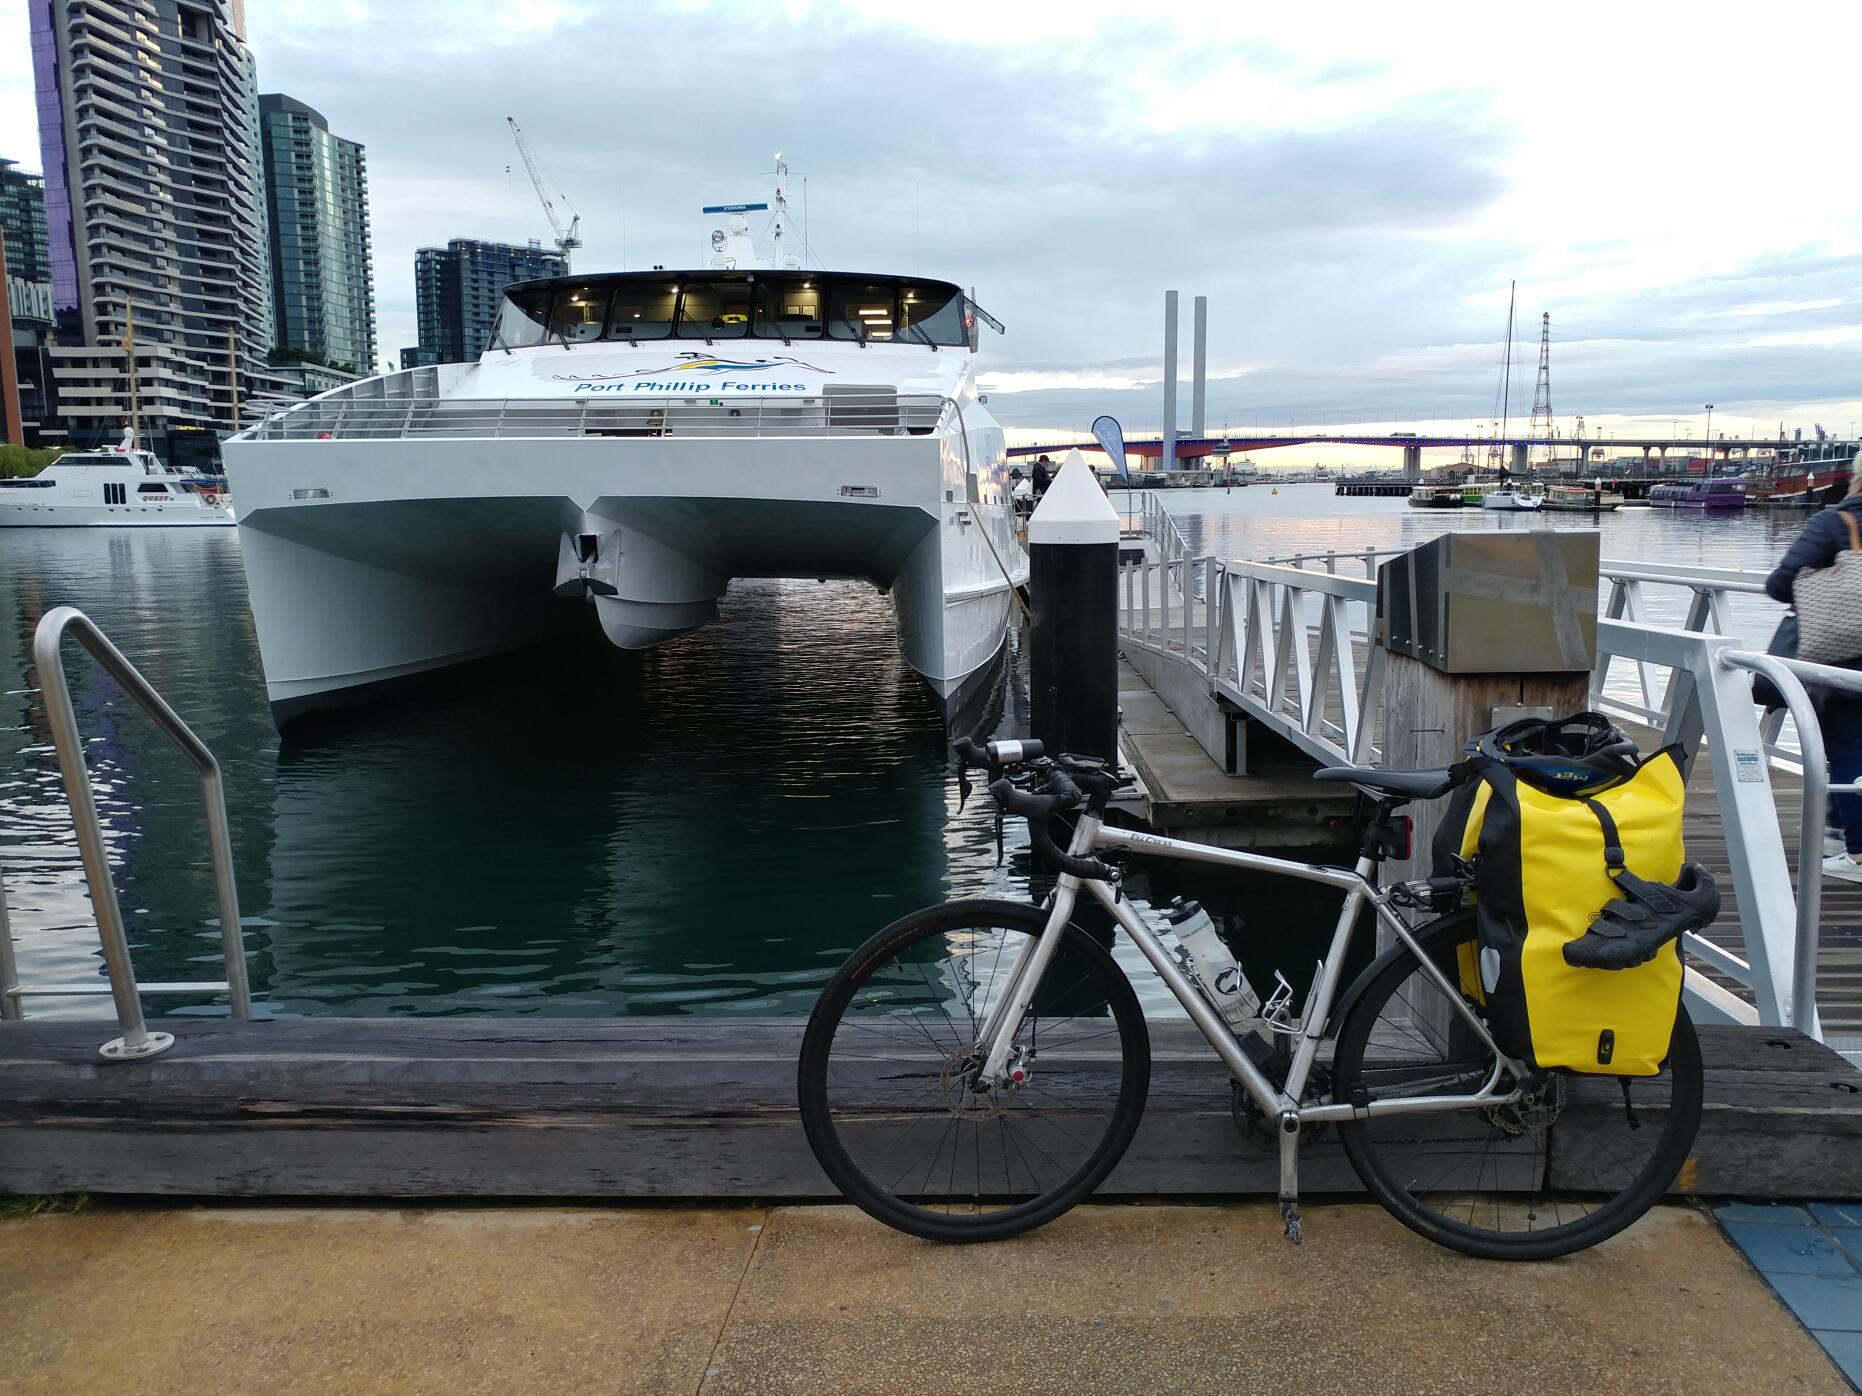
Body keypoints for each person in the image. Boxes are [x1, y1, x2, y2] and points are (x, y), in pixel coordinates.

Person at [1765, 464, 1862, 882]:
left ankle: (1857, 854)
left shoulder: (1835, 522)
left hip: (1845, 657)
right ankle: (1838, 835)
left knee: (1846, 751)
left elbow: (1779, 583)